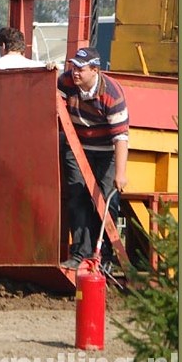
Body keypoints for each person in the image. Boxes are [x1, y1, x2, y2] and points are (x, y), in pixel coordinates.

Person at [57, 46, 129, 271]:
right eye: (74, 67)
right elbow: (49, 94)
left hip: (107, 151)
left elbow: (121, 138)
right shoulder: (66, 82)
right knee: (77, 196)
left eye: (81, 69)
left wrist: (120, 174)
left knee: (107, 200)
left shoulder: (112, 95)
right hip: (77, 146)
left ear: (95, 70)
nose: (75, 72)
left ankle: (104, 256)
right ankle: (80, 254)